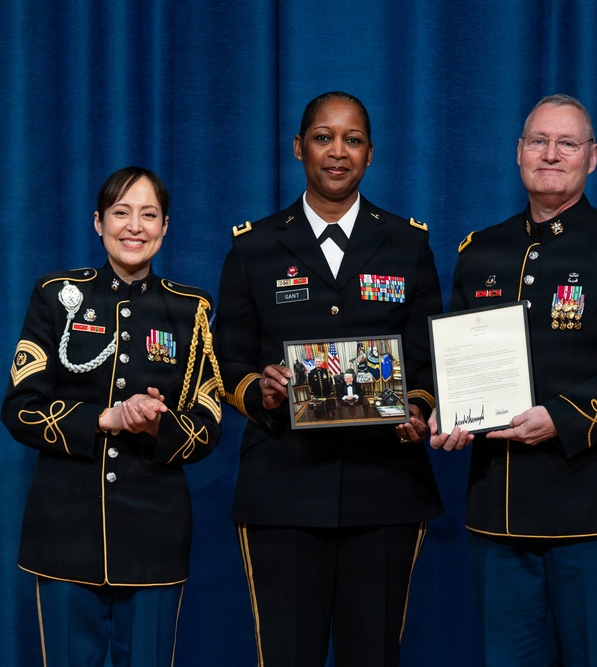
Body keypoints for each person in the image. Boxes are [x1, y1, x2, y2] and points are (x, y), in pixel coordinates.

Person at [430, 95, 597, 666]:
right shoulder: (480, 251)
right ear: (518, 153)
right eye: (538, 142)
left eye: (567, 144)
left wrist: (563, 418)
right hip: (499, 511)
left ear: (591, 159)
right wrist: (448, 413)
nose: (551, 154)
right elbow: (460, 362)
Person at [215, 91, 443, 667]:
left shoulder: (409, 244)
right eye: (323, 137)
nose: (337, 152)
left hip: (385, 485)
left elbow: (427, 358)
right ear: (298, 148)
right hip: (282, 486)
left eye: (353, 140)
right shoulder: (254, 247)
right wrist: (261, 393)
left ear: (370, 154)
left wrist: (416, 409)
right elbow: (227, 361)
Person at [0, 166, 223, 666]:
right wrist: (107, 420)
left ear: (166, 227)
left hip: (154, 534)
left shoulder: (192, 310)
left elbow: (207, 428)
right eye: (121, 213)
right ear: (97, 222)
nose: (134, 227)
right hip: (64, 529)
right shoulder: (57, 296)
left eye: (149, 215)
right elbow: (19, 411)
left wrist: (157, 426)